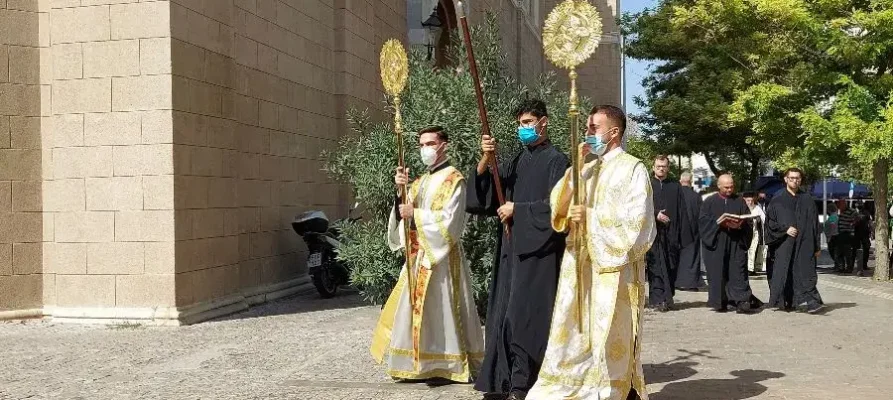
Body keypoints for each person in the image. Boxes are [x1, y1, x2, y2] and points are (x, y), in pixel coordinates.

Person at [527, 105, 655, 400]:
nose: (587, 133)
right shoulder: (585, 168)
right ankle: (574, 382)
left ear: (614, 132)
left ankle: (613, 388)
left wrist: (592, 217)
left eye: (593, 128)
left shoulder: (633, 168)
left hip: (614, 270)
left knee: (609, 333)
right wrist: (574, 171)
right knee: (575, 330)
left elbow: (639, 223)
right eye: (586, 127)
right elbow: (558, 209)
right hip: (579, 265)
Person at [468, 99, 569, 400]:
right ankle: (504, 379)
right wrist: (486, 159)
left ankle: (523, 383)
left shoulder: (558, 161)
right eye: (520, 124)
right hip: (511, 250)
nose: (522, 129)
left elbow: (558, 210)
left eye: (527, 122)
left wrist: (519, 210)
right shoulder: (516, 161)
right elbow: (484, 199)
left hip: (539, 254)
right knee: (504, 316)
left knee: (526, 317)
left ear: (543, 122)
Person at [370, 126, 485, 385]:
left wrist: (416, 215)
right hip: (419, 255)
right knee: (415, 310)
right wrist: (399, 191)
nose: (426, 149)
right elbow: (403, 214)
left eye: (430, 143)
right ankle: (416, 364)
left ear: (444, 145)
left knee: (443, 310)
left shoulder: (454, 179)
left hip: (443, 259)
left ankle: (448, 363)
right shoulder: (419, 182)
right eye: (422, 145)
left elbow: (451, 222)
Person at [699, 174, 763, 314]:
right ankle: (720, 301)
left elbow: (747, 219)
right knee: (718, 273)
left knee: (738, 272)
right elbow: (703, 223)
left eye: (732, 186)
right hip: (717, 242)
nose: (729, 189)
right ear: (719, 186)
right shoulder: (709, 202)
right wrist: (717, 223)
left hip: (736, 241)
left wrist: (741, 224)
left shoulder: (739, 201)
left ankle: (742, 301)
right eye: (726, 187)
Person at [765, 168, 824, 313]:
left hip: (805, 243)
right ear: (785, 179)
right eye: (791, 178)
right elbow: (770, 223)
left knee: (806, 272)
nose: (795, 181)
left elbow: (815, 224)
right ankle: (786, 302)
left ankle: (811, 302)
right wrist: (785, 229)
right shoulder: (777, 199)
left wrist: (817, 246)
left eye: (797, 178)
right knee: (786, 272)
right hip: (784, 244)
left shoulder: (807, 199)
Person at [646, 155, 691, 311]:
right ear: (653, 167)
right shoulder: (647, 185)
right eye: (658, 166)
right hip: (653, 233)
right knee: (656, 266)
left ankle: (668, 296)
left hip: (671, 233)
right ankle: (658, 299)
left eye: (664, 166)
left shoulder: (675, 186)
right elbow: (640, 206)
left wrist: (684, 236)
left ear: (668, 168)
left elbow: (682, 209)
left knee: (671, 266)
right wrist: (656, 214)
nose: (661, 169)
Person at [676, 171, 704, 290]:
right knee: (693, 258)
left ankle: (678, 281)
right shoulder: (696, 196)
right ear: (691, 181)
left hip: (678, 231)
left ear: (680, 181)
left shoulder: (675, 195)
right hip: (694, 232)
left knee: (679, 257)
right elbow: (702, 214)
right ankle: (692, 283)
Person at [743, 192, 767, 275]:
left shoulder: (757, 208)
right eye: (747, 200)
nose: (749, 202)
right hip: (744, 233)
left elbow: (764, 219)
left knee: (752, 250)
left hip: (755, 232)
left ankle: (750, 269)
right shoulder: (742, 208)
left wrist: (758, 219)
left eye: (751, 200)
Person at [836, 199, 859, 273]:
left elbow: (857, 219)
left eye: (840, 205)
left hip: (847, 234)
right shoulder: (841, 212)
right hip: (840, 234)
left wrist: (852, 224)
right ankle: (841, 267)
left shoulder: (851, 211)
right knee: (839, 252)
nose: (839, 207)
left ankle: (849, 268)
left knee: (847, 252)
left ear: (844, 204)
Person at [853, 203, 872, 276]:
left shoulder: (856, 214)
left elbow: (853, 224)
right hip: (865, 234)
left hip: (857, 234)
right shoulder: (867, 214)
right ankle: (864, 265)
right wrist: (872, 232)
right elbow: (870, 224)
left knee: (856, 250)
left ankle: (853, 266)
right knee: (866, 250)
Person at [824, 205, 840, 269]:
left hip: (832, 237)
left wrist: (829, 236)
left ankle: (837, 265)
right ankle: (837, 265)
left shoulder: (832, 217)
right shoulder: (835, 216)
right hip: (834, 236)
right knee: (835, 251)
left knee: (833, 251)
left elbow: (832, 225)